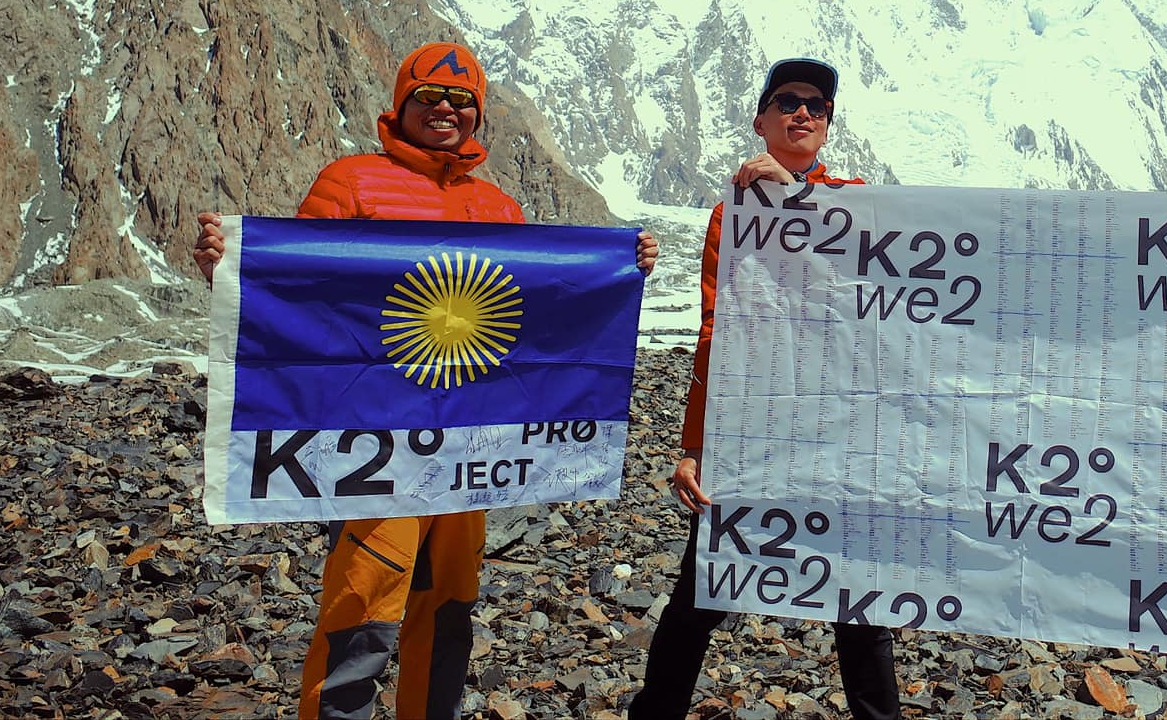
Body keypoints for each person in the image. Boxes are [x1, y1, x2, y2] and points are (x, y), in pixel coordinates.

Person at [193, 42, 659, 720]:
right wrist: (229, 270)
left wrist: (623, 268)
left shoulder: (497, 208)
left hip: (471, 442)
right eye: (430, 98)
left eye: (462, 101)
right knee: (365, 595)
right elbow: (298, 290)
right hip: (372, 437)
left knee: (448, 602)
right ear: (401, 104)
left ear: (478, 115)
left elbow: (540, 315)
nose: (446, 110)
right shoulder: (349, 181)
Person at [628, 57, 900, 720]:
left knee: (856, 602)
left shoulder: (856, 198)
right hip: (756, 429)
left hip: (840, 431)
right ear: (761, 119)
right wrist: (693, 445)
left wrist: (796, 203)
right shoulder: (732, 216)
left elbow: (872, 290)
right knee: (702, 590)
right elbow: (716, 329)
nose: (802, 112)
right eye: (787, 101)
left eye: (816, 105)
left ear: (828, 127)